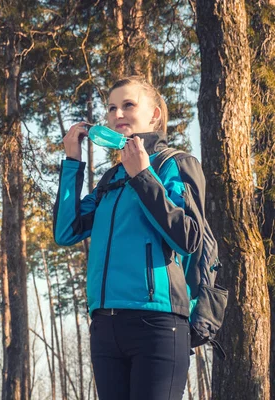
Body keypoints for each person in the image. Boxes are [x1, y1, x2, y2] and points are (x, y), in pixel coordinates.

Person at [53, 76, 207, 400]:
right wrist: (72, 161)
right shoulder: (111, 179)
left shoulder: (175, 164)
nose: (117, 114)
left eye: (128, 105)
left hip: (157, 324)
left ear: (154, 115)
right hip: (105, 327)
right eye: (111, 108)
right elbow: (67, 231)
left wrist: (143, 176)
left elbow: (189, 238)